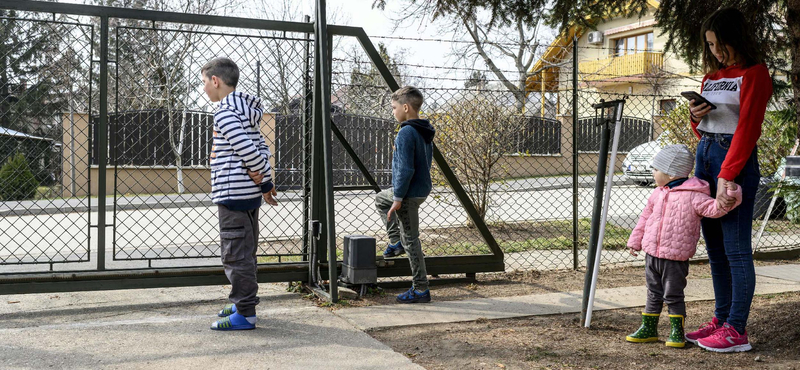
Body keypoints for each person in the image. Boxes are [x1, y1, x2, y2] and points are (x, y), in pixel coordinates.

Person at [684, 7, 773, 352]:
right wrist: (696, 116)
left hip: (733, 163)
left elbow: (748, 128)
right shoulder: (711, 78)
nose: (716, 52)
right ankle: (720, 321)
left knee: (736, 250)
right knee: (716, 252)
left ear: (736, 38)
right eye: (710, 45)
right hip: (705, 157)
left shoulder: (755, 73)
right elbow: (703, 130)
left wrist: (727, 175)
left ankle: (737, 330)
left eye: (720, 44)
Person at [626, 144, 742, 348]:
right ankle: (649, 328)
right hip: (652, 254)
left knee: (673, 294)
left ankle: (676, 331)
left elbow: (715, 209)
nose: (652, 173)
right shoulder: (657, 194)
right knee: (653, 292)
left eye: (655, 169)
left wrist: (731, 195)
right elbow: (645, 218)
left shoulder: (693, 195)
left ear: (670, 173)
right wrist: (635, 241)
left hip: (675, 259)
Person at [201, 57, 278, 330]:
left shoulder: (224, 113)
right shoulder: (246, 112)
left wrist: (264, 179)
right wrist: (264, 181)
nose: (204, 90)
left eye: (204, 83)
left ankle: (245, 313)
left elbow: (249, 151)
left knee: (235, 255)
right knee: (245, 251)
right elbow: (262, 148)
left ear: (215, 80)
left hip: (232, 194)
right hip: (247, 193)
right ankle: (241, 302)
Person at [375, 86, 436, 304]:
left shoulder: (406, 132)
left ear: (406, 107)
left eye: (394, 107)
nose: (393, 112)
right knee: (381, 198)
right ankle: (395, 241)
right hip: (419, 190)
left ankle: (420, 289)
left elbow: (405, 169)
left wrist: (398, 199)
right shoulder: (423, 129)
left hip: (408, 194)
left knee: (412, 241)